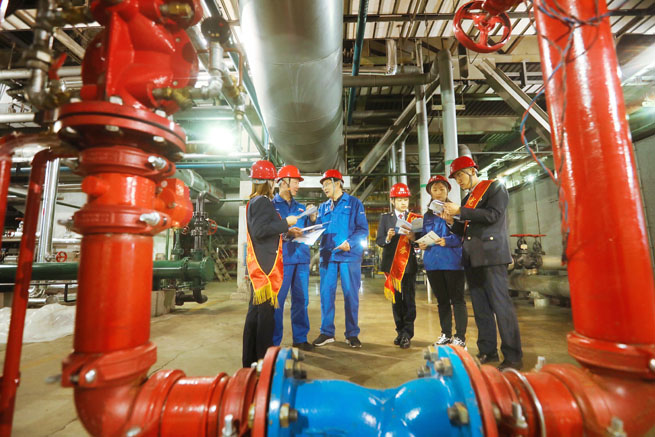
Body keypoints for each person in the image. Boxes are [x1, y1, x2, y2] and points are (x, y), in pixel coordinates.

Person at [442, 156, 523, 370]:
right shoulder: (468, 199)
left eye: (460, 175)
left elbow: (493, 215)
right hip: (473, 257)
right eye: (455, 177)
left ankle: (513, 356)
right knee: (481, 308)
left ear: (472, 171)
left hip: (491, 256)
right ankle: (488, 350)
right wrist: (451, 221)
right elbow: (464, 229)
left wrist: (460, 211)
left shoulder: (495, 188)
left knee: (501, 306)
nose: (458, 180)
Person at [242, 160, 302, 367]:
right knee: (265, 320)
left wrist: (286, 230)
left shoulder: (254, 201)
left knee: (255, 317)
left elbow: (263, 229)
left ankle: (250, 361)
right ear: (269, 181)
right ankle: (263, 363)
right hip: (265, 271)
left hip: (260, 267)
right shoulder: (263, 202)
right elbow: (260, 231)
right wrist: (286, 222)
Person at [311, 169, 369, 348]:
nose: (324, 188)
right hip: (328, 256)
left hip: (348, 257)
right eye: (323, 185)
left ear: (338, 183)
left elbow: (363, 229)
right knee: (326, 295)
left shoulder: (354, 203)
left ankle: (352, 334)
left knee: (351, 295)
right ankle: (326, 332)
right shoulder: (323, 207)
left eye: (327, 184)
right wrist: (312, 221)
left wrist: (350, 243)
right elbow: (318, 230)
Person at [419, 175, 467, 349]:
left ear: (447, 191)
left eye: (441, 189)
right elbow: (425, 234)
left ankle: (460, 337)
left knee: (457, 300)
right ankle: (446, 334)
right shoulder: (427, 215)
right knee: (442, 301)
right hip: (433, 263)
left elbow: (463, 235)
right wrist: (422, 244)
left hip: (453, 262)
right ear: (430, 193)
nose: (438, 192)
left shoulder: (457, 211)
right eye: (435, 189)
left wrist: (449, 237)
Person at [272, 165, 314, 351]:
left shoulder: (301, 208)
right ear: (283, 182)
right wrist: (285, 232)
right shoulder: (271, 206)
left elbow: (307, 230)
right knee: (278, 302)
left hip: (301, 259)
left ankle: (300, 338)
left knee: (301, 300)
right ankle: (274, 342)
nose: (298, 186)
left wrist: (313, 221)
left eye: (298, 182)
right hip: (282, 260)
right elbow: (267, 231)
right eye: (295, 182)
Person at [375, 183, 420, 349]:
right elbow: (379, 241)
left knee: (409, 300)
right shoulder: (385, 218)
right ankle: (400, 331)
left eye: (405, 199)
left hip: (408, 266)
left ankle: (407, 333)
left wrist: (413, 238)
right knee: (396, 302)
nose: (403, 203)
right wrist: (388, 237)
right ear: (393, 201)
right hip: (392, 266)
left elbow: (420, 241)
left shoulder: (414, 218)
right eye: (400, 199)